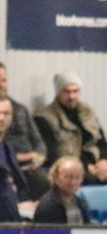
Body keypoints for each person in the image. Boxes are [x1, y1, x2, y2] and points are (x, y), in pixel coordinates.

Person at [35, 72, 107, 186]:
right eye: (67, 92)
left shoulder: (87, 112)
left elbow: (102, 142)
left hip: (98, 164)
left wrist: (105, 161)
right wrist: (88, 167)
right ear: (58, 92)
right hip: (75, 168)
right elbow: (53, 155)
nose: (71, 96)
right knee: (85, 177)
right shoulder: (44, 117)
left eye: (75, 91)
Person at [0, 62, 49, 200]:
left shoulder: (21, 109)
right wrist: (19, 157)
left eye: (4, 80)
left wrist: (38, 158)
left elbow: (38, 141)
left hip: (31, 167)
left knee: (46, 181)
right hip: (7, 166)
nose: (1, 85)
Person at [33, 156, 89, 225]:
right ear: (56, 178)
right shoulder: (49, 206)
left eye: (77, 177)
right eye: (67, 177)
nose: (72, 182)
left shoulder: (81, 203)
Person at [0, 96, 31, 221]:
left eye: (6, 113)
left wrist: (25, 203)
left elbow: (19, 183)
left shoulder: (8, 147)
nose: (1, 118)